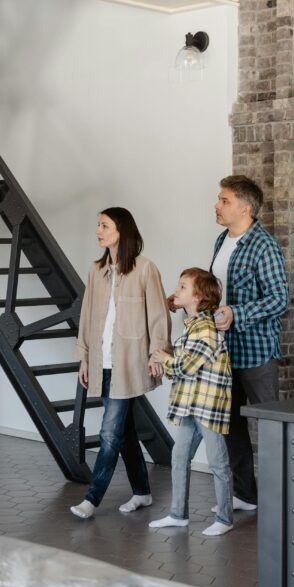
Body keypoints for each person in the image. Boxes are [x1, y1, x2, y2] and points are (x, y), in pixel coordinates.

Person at [71, 207, 171, 519]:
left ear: (121, 231)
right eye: (98, 224)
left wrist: (158, 353)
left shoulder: (145, 269)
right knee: (124, 432)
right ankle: (142, 492)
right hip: (103, 362)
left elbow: (157, 314)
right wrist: (85, 358)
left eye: (104, 225)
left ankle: (92, 498)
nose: (98, 230)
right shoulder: (95, 270)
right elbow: (87, 317)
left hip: (129, 362)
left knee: (110, 433)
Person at [199, 175, 288, 512]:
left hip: (257, 353)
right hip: (224, 353)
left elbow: (279, 298)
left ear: (245, 208)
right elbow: (218, 292)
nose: (217, 205)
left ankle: (279, 499)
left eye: (224, 200)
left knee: (269, 429)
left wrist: (236, 314)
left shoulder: (263, 245)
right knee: (231, 426)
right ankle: (246, 495)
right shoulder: (222, 240)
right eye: (219, 200)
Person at [148, 268, 234, 536]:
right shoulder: (192, 327)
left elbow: (185, 366)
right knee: (179, 457)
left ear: (197, 296)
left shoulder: (205, 330)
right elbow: (184, 359)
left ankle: (225, 517)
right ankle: (178, 514)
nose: (177, 290)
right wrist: (167, 354)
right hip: (190, 405)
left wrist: (164, 359)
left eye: (183, 287)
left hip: (207, 407)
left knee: (217, 461)